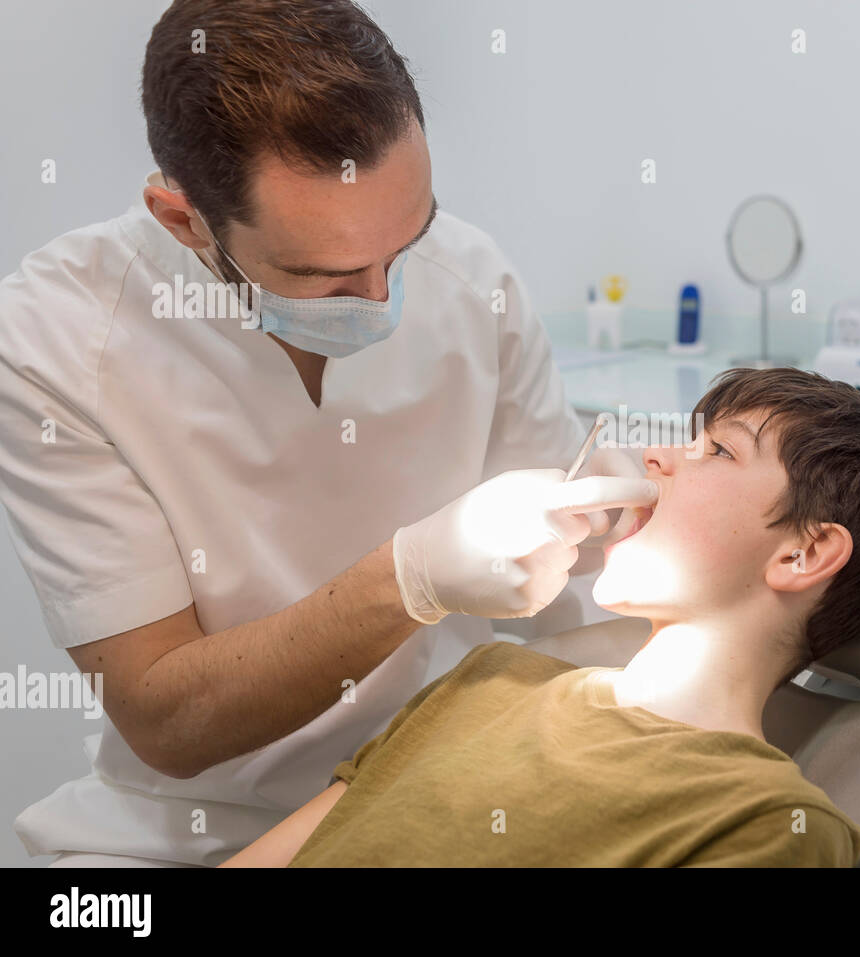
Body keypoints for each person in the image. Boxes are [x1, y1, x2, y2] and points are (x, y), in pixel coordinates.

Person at [0, 0, 651, 867]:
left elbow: (568, 605)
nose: (384, 299)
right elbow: (165, 714)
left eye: (405, 242)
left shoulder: (474, 277)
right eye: (329, 275)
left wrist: (608, 529)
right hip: (183, 832)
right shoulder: (56, 338)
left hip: (437, 788)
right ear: (184, 219)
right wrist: (408, 577)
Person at [219, 367, 860, 867]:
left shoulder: (766, 820)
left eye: (717, 451)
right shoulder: (491, 676)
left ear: (803, 552)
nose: (656, 457)